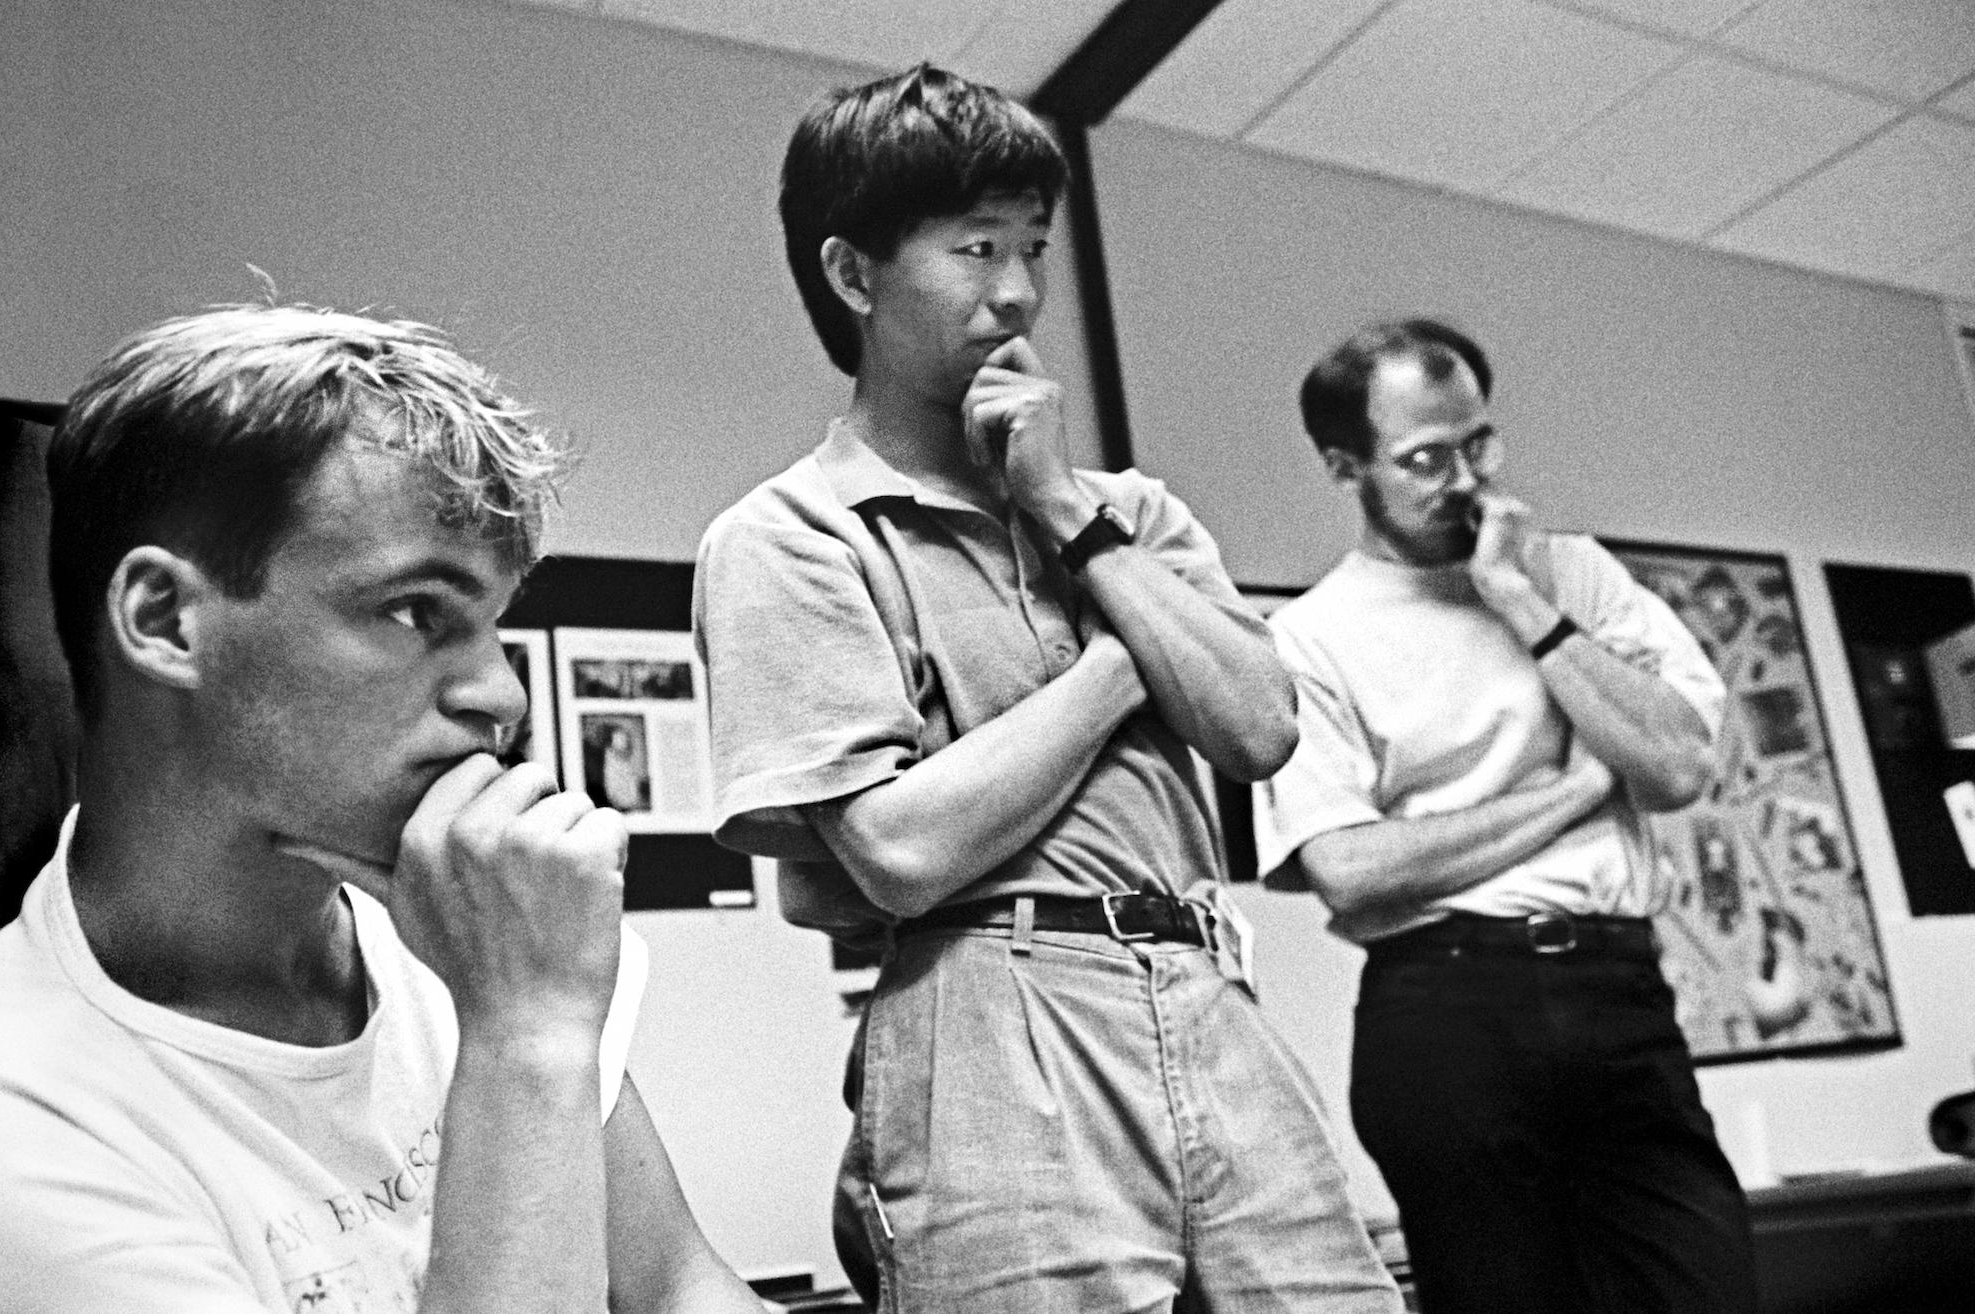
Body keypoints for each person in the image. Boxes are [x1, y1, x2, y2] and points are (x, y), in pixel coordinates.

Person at [694, 65, 1400, 1313]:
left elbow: (1256, 727)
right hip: (985, 1013)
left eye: (1032, 248)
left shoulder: (1129, 512)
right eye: (974, 250)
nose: (1016, 293)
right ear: (854, 275)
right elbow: (900, 851)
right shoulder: (790, 535)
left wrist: (1063, 509)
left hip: (1203, 981)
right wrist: (1127, 657)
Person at [0, 305, 766, 1314]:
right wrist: (526, 1037)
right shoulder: (15, 1124)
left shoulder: (454, 940)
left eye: (491, 624)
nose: (503, 697)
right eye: (412, 610)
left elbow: (677, 1291)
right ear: (166, 621)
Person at [1260, 318, 1757, 1313]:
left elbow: (1674, 765)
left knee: (1705, 1289)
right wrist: (1575, 789)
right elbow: (1348, 869)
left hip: (1618, 992)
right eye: (1423, 458)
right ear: (1341, 465)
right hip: (1445, 1010)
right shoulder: (1307, 637)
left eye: (1477, 441)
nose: (1465, 479)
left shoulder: (1572, 572)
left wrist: (1517, 599)